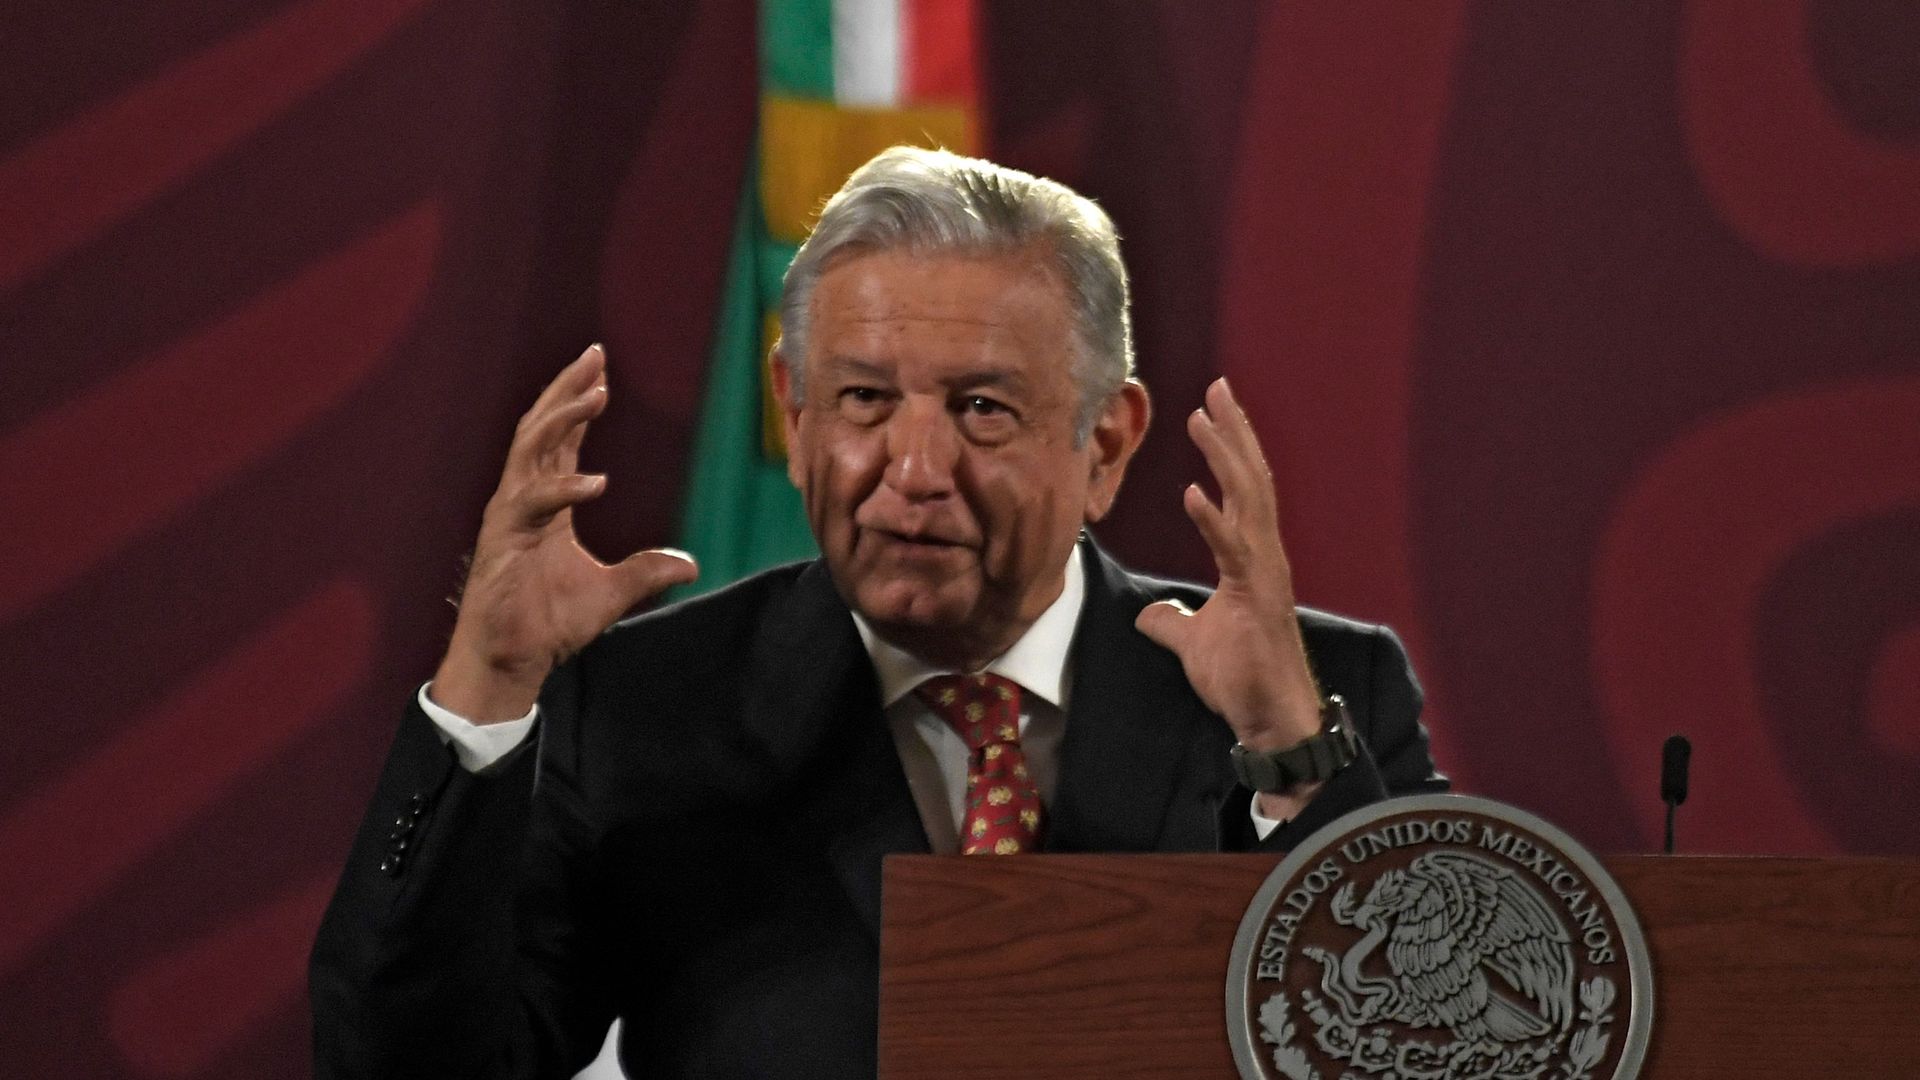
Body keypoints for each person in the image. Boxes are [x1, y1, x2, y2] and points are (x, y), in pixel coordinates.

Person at [310, 146, 1444, 1079]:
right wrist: (486, 697)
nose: (911, 468)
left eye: (982, 409)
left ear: (1104, 445)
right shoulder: (643, 713)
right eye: (863, 401)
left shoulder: (1313, 700)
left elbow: (1452, 1054)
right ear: (793, 416)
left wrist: (1292, 755)